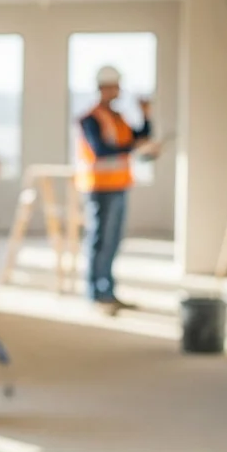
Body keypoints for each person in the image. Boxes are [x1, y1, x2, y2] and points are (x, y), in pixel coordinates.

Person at [75, 65, 156, 314]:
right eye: (115, 87)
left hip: (119, 185)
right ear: (103, 88)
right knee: (100, 240)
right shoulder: (90, 118)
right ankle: (96, 294)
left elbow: (138, 137)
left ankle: (108, 291)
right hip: (100, 188)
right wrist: (134, 149)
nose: (118, 91)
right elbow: (101, 150)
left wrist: (145, 116)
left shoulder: (118, 117)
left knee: (113, 242)